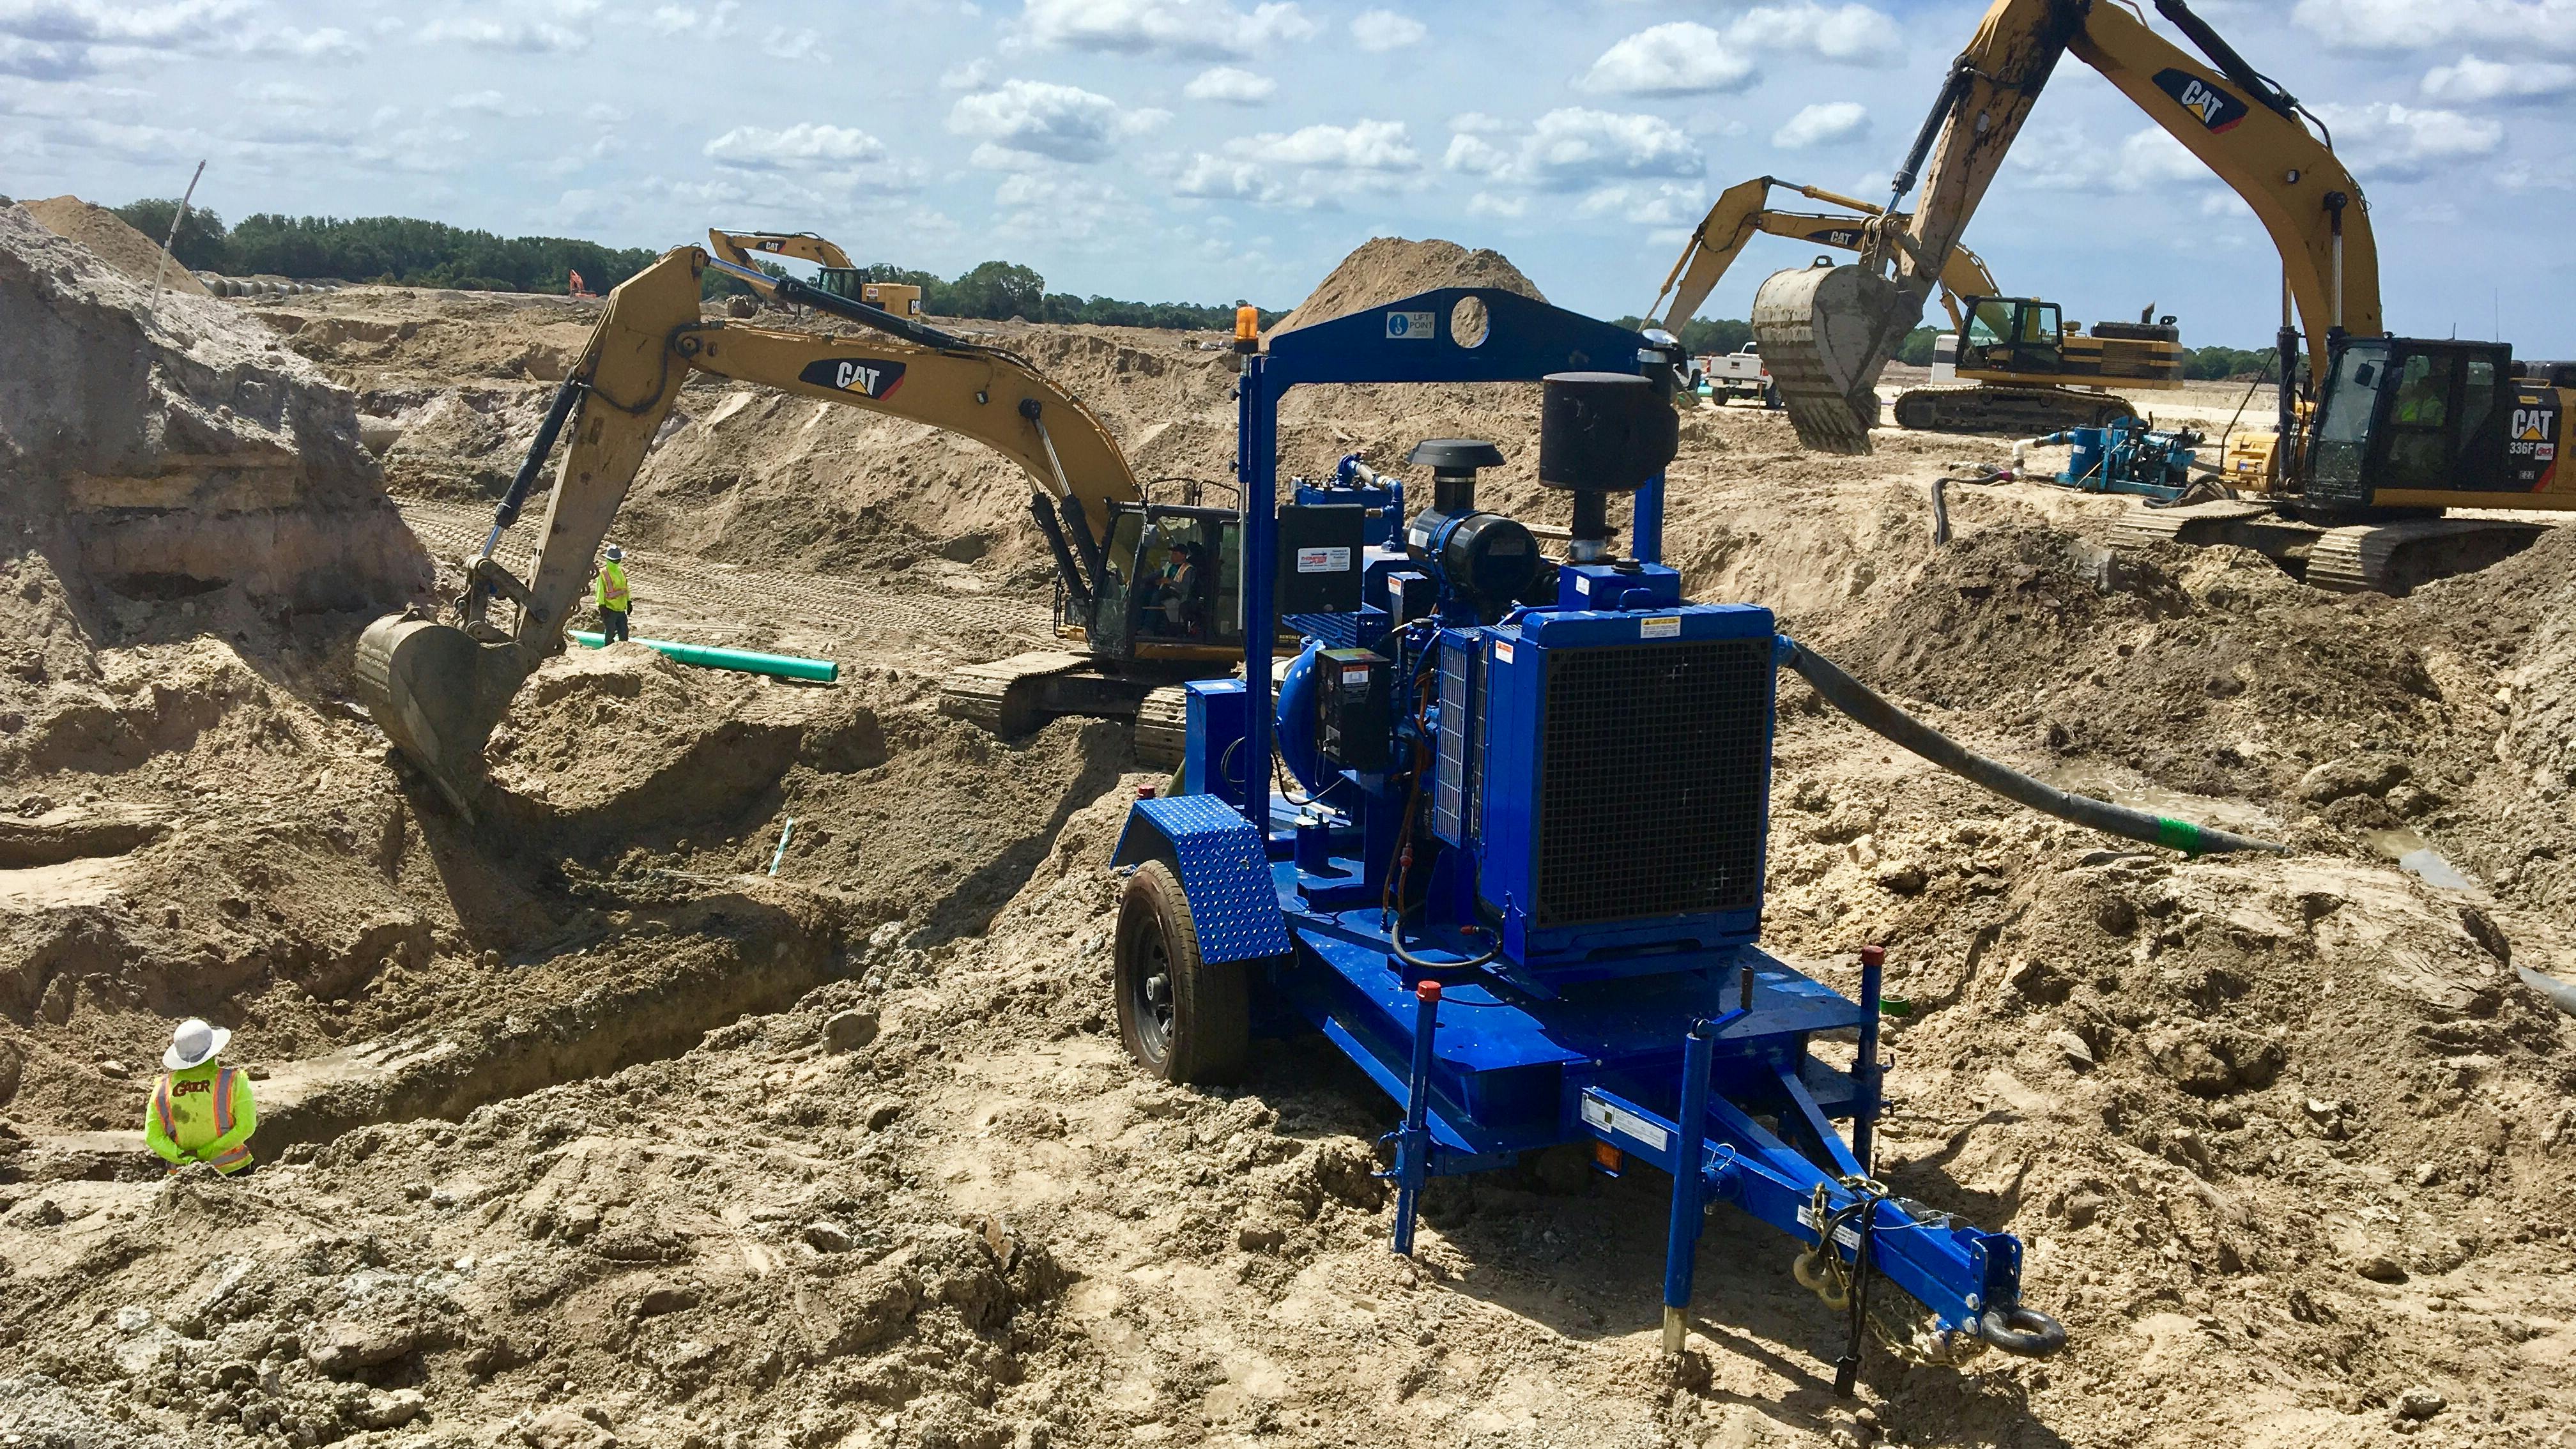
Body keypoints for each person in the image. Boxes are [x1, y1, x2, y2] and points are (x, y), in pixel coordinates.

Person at [144, 1018, 256, 1175]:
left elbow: (153, 1137)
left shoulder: (162, 1088)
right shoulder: (234, 1081)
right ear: (213, 1049)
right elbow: (246, 1127)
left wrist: (187, 1159)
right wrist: (206, 1153)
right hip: (234, 1171)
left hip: (183, 1178)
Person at [595, 544, 632, 643]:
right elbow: (600, 590)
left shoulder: (621, 571)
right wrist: (601, 605)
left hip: (621, 609)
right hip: (609, 609)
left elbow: (626, 588)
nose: (618, 561)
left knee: (624, 633)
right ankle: (608, 652)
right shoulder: (604, 573)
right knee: (610, 633)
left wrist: (629, 601)